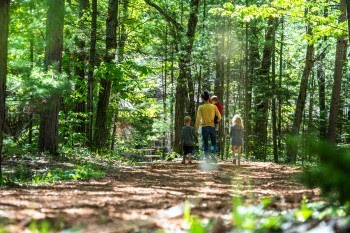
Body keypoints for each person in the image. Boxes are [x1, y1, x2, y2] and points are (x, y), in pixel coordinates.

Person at [195, 91, 222, 162]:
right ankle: (213, 154)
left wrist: (196, 128)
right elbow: (219, 117)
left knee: (206, 144)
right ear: (209, 98)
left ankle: (207, 159)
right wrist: (216, 121)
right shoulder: (214, 107)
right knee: (213, 143)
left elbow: (198, 118)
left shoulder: (201, 107)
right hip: (212, 127)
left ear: (202, 99)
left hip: (204, 127)